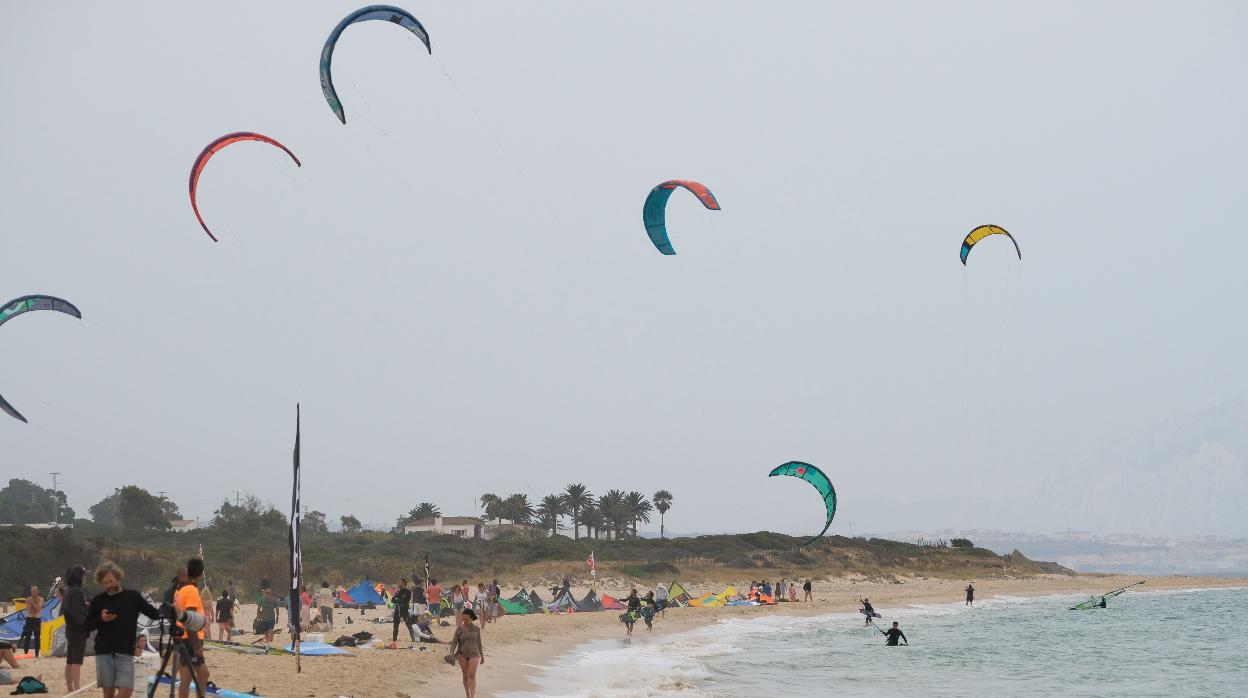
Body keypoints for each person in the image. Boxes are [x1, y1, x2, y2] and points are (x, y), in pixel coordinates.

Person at [85, 560, 162, 698]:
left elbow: (154, 614)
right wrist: (101, 619)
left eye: (111, 581)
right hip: (104, 651)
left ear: (118, 577)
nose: (109, 585)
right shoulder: (98, 600)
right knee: (108, 693)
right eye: (105, 583)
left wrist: (169, 609)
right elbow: (87, 626)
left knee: (127, 690)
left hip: (126, 651)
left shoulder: (133, 596)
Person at [173, 558, 211, 698]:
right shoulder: (191, 591)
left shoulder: (181, 589)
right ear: (201, 574)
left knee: (195, 676)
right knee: (193, 676)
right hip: (190, 639)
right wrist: (196, 646)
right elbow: (190, 619)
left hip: (185, 638)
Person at [61, 565, 90, 692]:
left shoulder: (68, 590)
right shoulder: (77, 591)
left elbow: (66, 610)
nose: (85, 576)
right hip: (78, 630)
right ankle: (77, 688)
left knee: (70, 660)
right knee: (77, 661)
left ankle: (70, 688)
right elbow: (78, 615)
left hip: (70, 628)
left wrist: (84, 606)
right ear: (80, 576)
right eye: (84, 574)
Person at [449, 608, 484, 698]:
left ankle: (472, 696)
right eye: (463, 619)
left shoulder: (476, 629)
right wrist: (451, 653)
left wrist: (482, 655)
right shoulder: (459, 629)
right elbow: (454, 642)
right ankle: (467, 694)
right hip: (462, 654)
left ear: (472, 618)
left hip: (474, 653)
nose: (464, 621)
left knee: (472, 674)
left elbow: (479, 642)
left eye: (467, 619)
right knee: (465, 675)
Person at [19, 586, 43, 658]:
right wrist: (35, 606)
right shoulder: (28, 599)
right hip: (29, 619)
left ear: (38, 591)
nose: (33, 593)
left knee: (37, 637)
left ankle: (36, 655)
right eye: (32, 591)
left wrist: (32, 604)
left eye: (35, 591)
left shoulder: (41, 599)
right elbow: (30, 610)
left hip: (37, 620)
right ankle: (26, 653)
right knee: (27, 637)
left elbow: (39, 609)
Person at [392, 578, 416, 643]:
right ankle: (394, 639)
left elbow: (406, 599)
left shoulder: (408, 592)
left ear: (404, 583)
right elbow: (392, 600)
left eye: (400, 582)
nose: (398, 584)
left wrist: (398, 600)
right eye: (398, 582)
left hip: (405, 610)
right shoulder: (397, 592)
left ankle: (413, 639)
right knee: (395, 625)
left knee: (409, 624)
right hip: (397, 610)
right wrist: (398, 600)